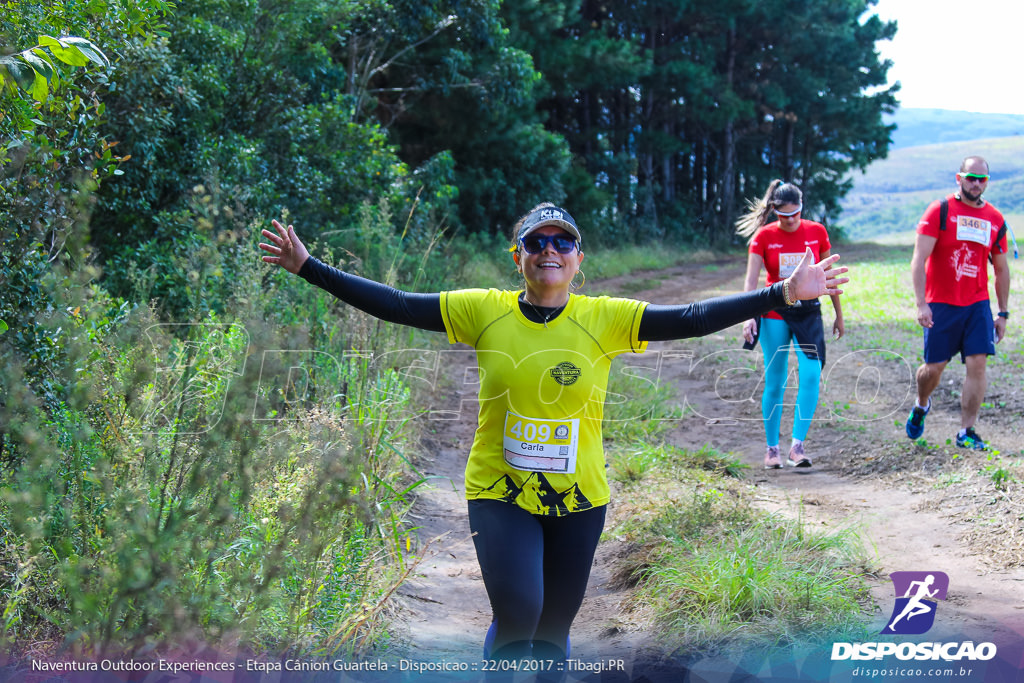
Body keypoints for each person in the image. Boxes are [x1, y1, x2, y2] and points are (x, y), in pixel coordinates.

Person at [258, 204, 849, 667]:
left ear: (577, 257)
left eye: (561, 241)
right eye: (536, 242)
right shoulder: (480, 309)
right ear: (518, 256)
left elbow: (690, 318)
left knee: (553, 629)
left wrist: (781, 294)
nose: (549, 250)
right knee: (519, 613)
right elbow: (396, 304)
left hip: (580, 497)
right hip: (499, 491)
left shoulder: (605, 318)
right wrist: (310, 267)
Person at [905, 156, 1011, 451]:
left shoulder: (995, 218)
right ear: (958, 178)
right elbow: (919, 260)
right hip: (941, 303)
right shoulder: (940, 211)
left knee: (978, 365)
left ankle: (966, 431)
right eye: (971, 178)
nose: (976, 184)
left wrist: (1002, 313)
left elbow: (1001, 269)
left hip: (977, 304)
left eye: (982, 179)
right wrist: (921, 303)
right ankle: (921, 404)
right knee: (933, 368)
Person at [737, 180, 844, 470]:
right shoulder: (763, 237)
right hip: (774, 311)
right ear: (774, 211)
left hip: (808, 311)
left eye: (795, 214)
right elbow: (751, 281)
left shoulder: (816, 232)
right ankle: (772, 449)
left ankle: (797, 446)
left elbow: (829, 278)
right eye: (783, 216)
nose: (790, 221)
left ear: (802, 208)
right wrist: (749, 315)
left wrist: (839, 314)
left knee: (811, 373)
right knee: (776, 379)